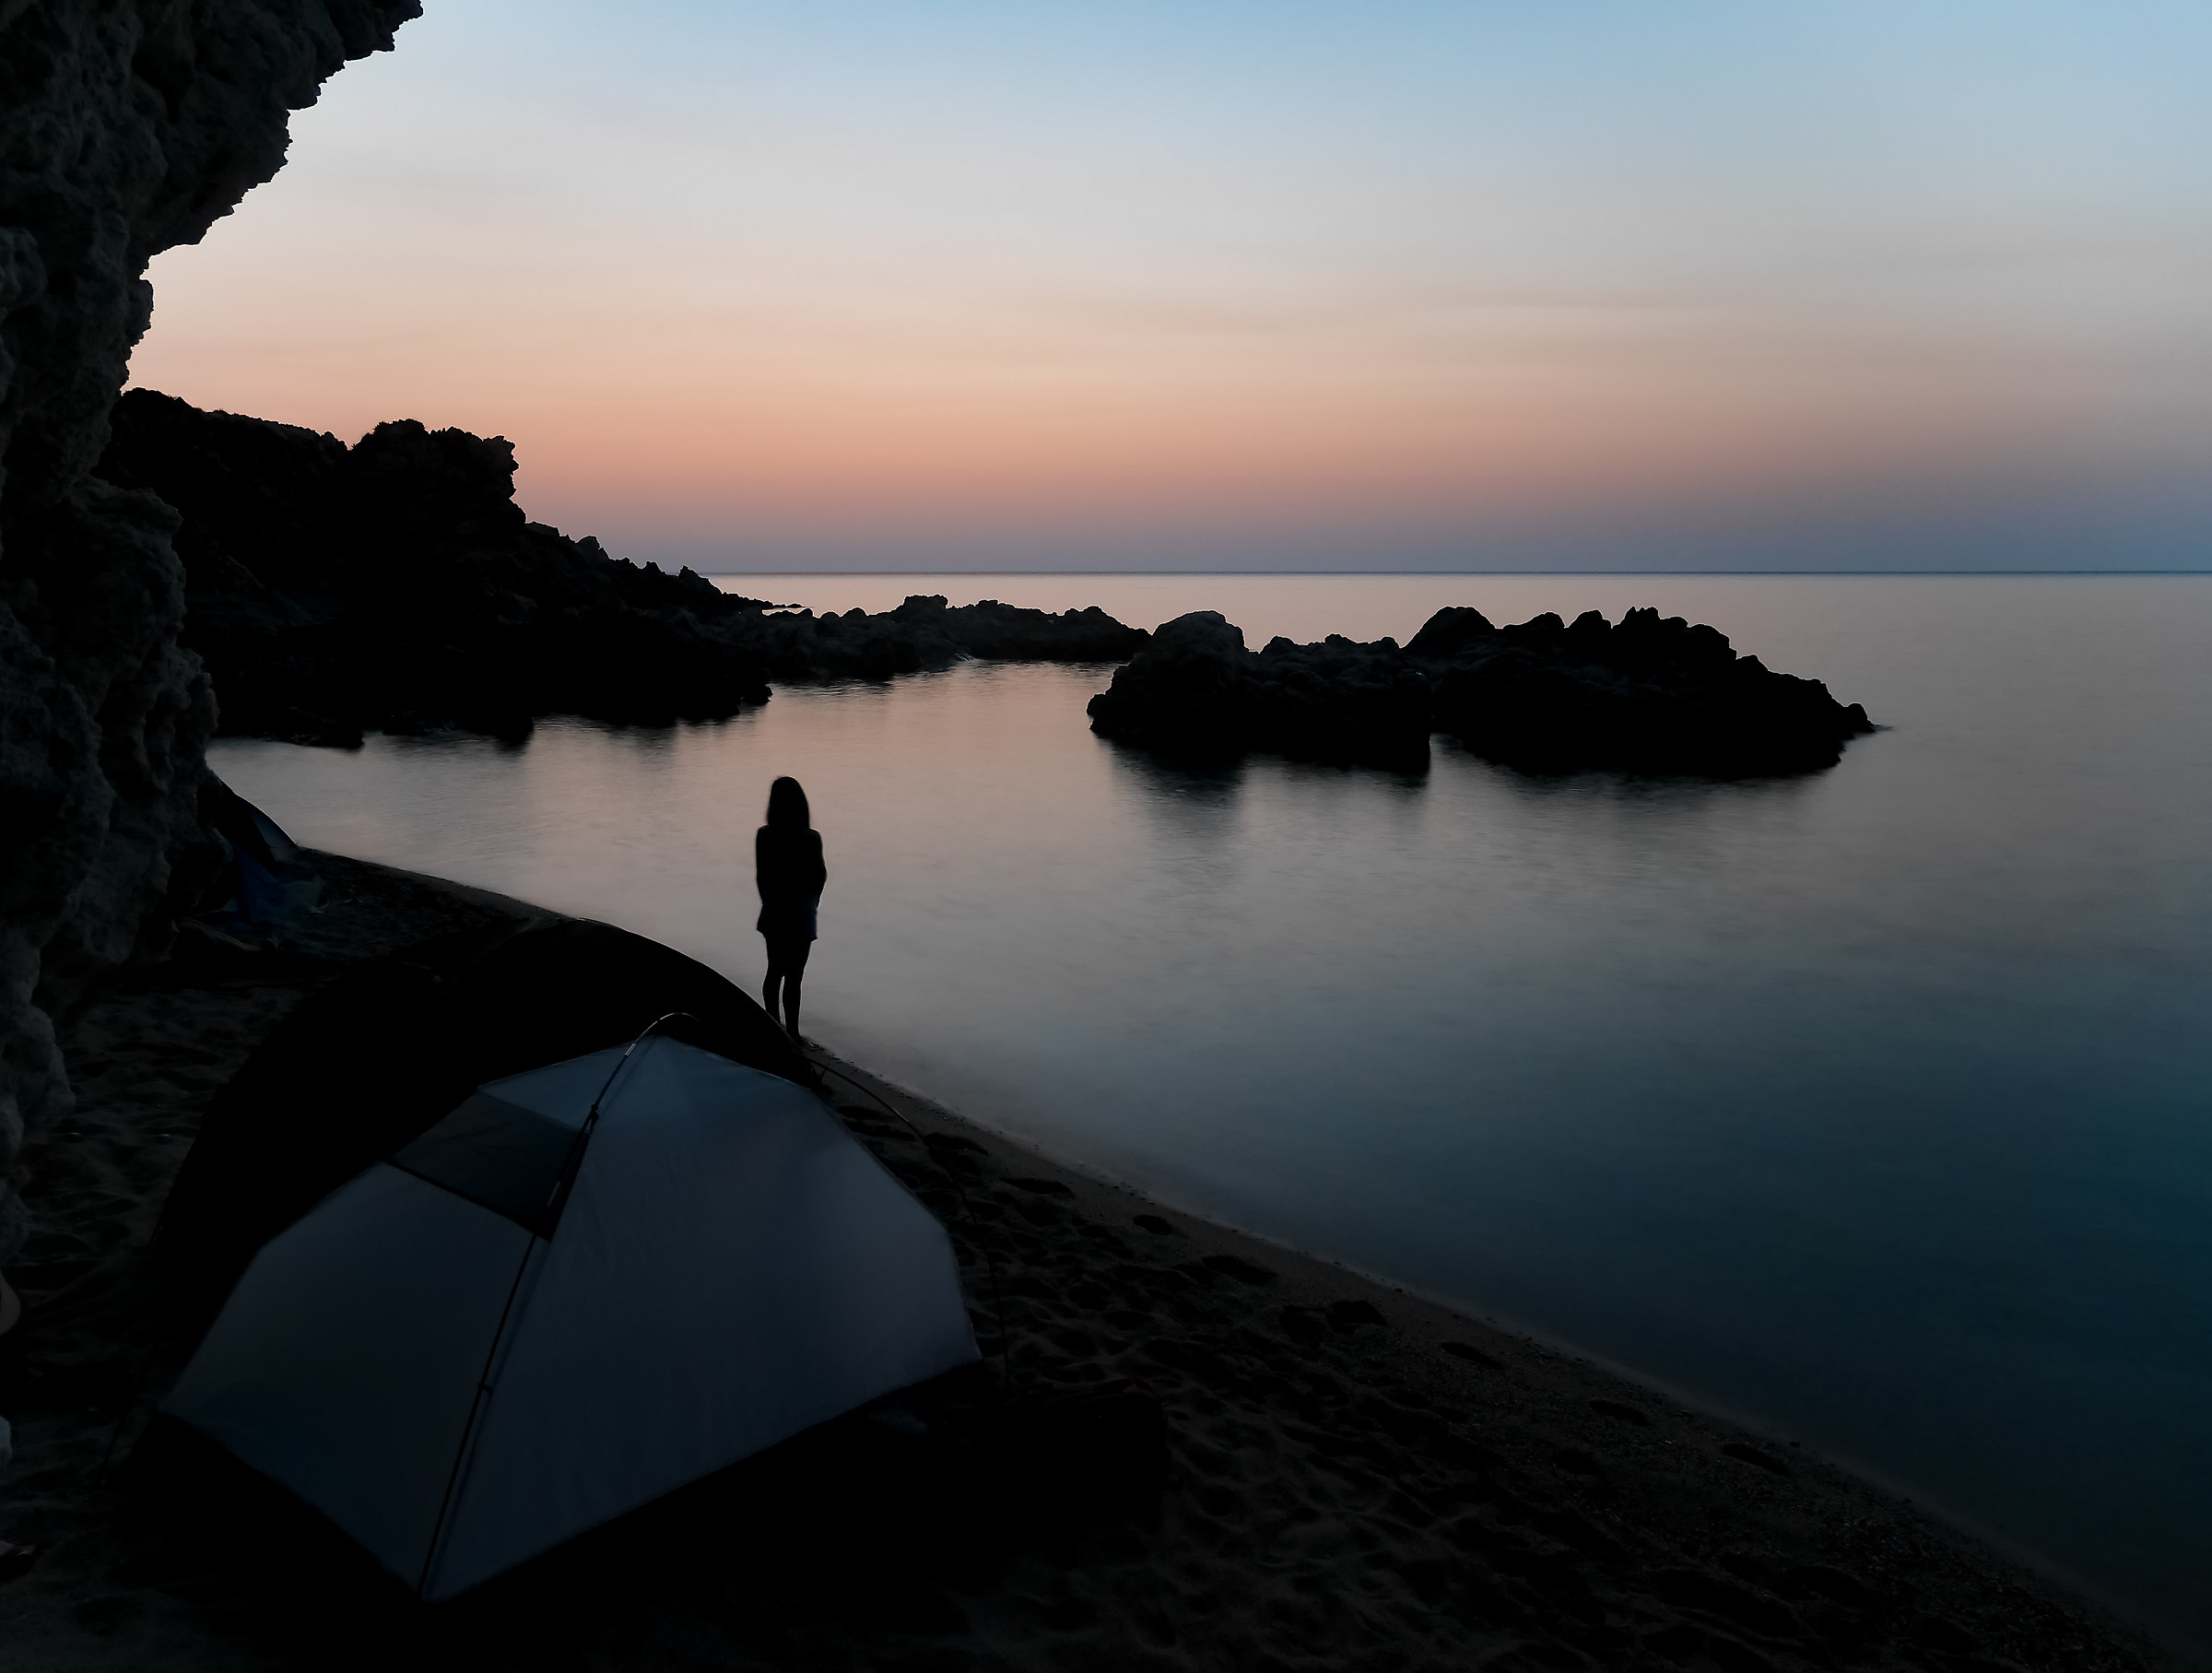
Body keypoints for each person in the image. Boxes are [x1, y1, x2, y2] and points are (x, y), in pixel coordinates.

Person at [755, 776, 827, 1041]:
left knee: (774, 970)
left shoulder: (764, 835)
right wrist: (812, 903)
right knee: (794, 976)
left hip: (774, 912)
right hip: (800, 914)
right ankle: (792, 1032)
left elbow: (761, 875)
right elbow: (820, 875)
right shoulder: (810, 838)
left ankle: (773, 1026)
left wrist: (769, 903)